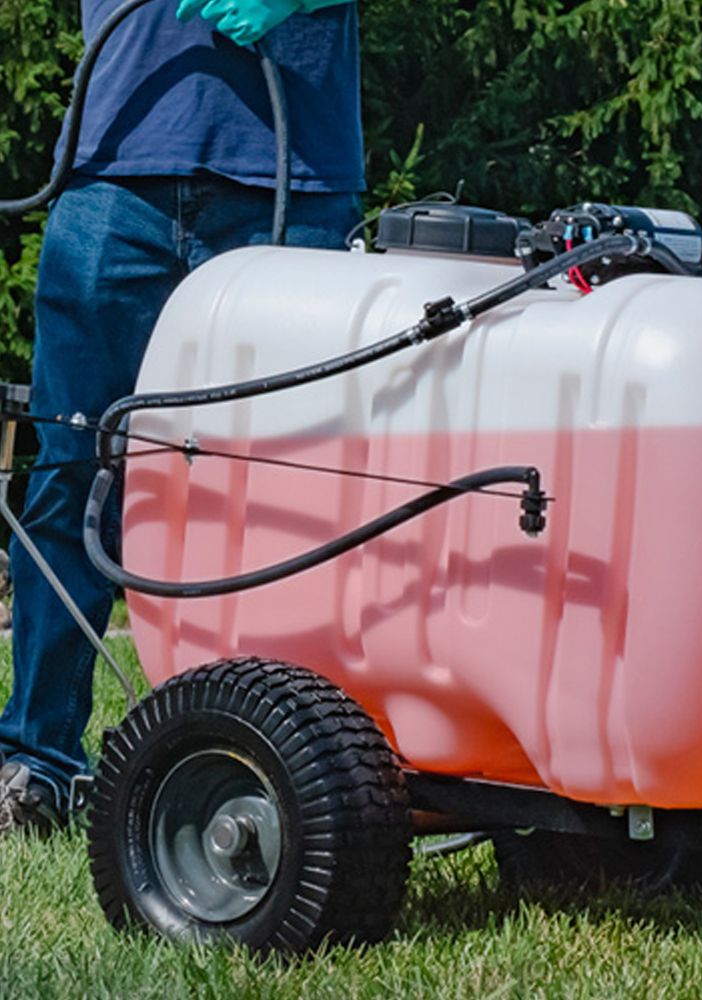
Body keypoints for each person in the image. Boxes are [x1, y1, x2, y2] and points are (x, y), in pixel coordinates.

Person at [0, 0, 364, 832]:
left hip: (291, 175)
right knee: (71, 477)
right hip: (113, 176)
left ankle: (295, 768)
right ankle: (38, 763)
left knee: (292, 503)